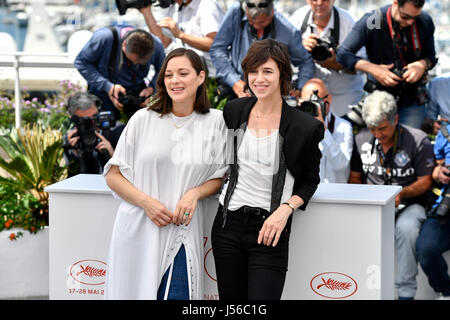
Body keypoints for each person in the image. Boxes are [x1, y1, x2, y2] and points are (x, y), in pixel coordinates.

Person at [103, 48, 227, 299]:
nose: (175, 80)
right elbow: (113, 175)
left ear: (201, 77)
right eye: (168, 75)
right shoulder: (142, 119)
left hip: (180, 232)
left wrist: (195, 193)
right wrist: (146, 202)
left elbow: (220, 175)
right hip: (137, 230)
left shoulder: (217, 122)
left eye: (183, 73)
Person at [211, 39, 324, 300]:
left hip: (270, 229)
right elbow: (225, 162)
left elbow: (310, 181)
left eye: (267, 71)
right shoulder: (233, 110)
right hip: (227, 224)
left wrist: (285, 209)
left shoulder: (304, 126)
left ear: (283, 75)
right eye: (253, 71)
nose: (258, 79)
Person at [349, 90, 434, 299]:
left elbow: (426, 181)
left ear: (395, 119)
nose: (377, 134)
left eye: (382, 128)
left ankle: (406, 294)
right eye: (372, 129)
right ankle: (366, 292)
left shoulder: (418, 139)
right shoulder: (360, 139)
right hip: (373, 206)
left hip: (409, 204)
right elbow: (354, 178)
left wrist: (401, 193)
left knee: (407, 229)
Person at [336, 0, 438, 129]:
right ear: (395, 3)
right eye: (405, 17)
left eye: (415, 17)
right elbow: (343, 54)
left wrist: (422, 65)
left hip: (412, 98)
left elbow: (431, 57)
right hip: (379, 97)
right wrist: (373, 69)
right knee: (379, 143)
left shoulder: (424, 21)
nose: (410, 22)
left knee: (410, 145)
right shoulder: (375, 19)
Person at [209, 0, 314, 100]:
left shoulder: (287, 30)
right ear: (245, 11)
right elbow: (217, 49)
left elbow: (306, 62)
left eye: (262, 22)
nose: (256, 26)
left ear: (272, 13)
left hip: (273, 95)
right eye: (251, 21)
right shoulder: (236, 12)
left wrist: (300, 88)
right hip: (237, 91)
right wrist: (234, 82)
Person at [289, 0, 365, 117]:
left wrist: (339, 64)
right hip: (310, 97)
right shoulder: (297, 20)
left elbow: (364, 64)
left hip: (345, 95)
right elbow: (283, 56)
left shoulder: (349, 23)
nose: (319, 3)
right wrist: (300, 48)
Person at [74, 25, 165, 121]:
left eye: (140, 63)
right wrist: (108, 86)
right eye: (133, 60)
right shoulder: (104, 38)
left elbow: (163, 69)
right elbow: (81, 62)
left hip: (137, 94)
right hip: (103, 92)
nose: (135, 64)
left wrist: (152, 88)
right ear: (124, 44)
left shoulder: (157, 45)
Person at [139, 0, 224, 78]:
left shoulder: (207, 5)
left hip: (211, 79)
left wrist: (180, 35)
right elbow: (164, 42)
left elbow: (213, 44)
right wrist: (146, 11)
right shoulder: (175, 7)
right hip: (186, 76)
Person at [416, 123, 450, 300]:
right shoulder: (446, 132)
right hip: (445, 207)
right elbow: (435, 168)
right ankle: (446, 292)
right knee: (427, 249)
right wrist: (439, 172)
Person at [300, 78, 353, 183]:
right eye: (307, 103)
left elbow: (341, 165)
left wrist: (323, 129)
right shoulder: (297, 125)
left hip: (335, 195)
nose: (311, 107)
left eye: (315, 102)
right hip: (307, 193)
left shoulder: (343, 127)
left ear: (328, 99)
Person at [63, 92, 116, 177]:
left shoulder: (116, 133)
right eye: (85, 121)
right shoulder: (69, 139)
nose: (92, 123)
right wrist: (72, 153)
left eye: (95, 116)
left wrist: (113, 156)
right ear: (74, 120)